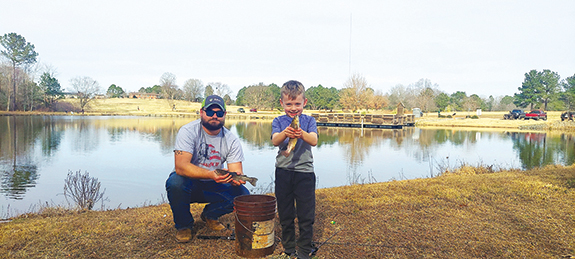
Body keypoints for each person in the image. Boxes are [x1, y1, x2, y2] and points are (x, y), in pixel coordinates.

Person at [165, 95, 249, 243]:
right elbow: (181, 166)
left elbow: (236, 171)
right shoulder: (188, 131)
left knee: (242, 195)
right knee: (175, 182)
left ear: (225, 115)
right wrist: (211, 174)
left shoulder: (232, 140)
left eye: (219, 113)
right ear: (201, 112)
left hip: (214, 183)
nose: (214, 116)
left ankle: (210, 215)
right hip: (189, 183)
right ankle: (183, 226)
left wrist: (237, 180)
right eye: (210, 112)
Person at [271, 80, 318, 259]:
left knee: (306, 213)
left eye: (297, 104)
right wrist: (286, 133)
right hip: (283, 171)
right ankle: (289, 247)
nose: (293, 108)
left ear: (304, 103)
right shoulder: (278, 121)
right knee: (285, 212)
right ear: (282, 103)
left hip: (305, 173)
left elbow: (313, 140)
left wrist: (301, 134)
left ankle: (304, 249)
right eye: (289, 104)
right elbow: (275, 140)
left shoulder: (309, 121)